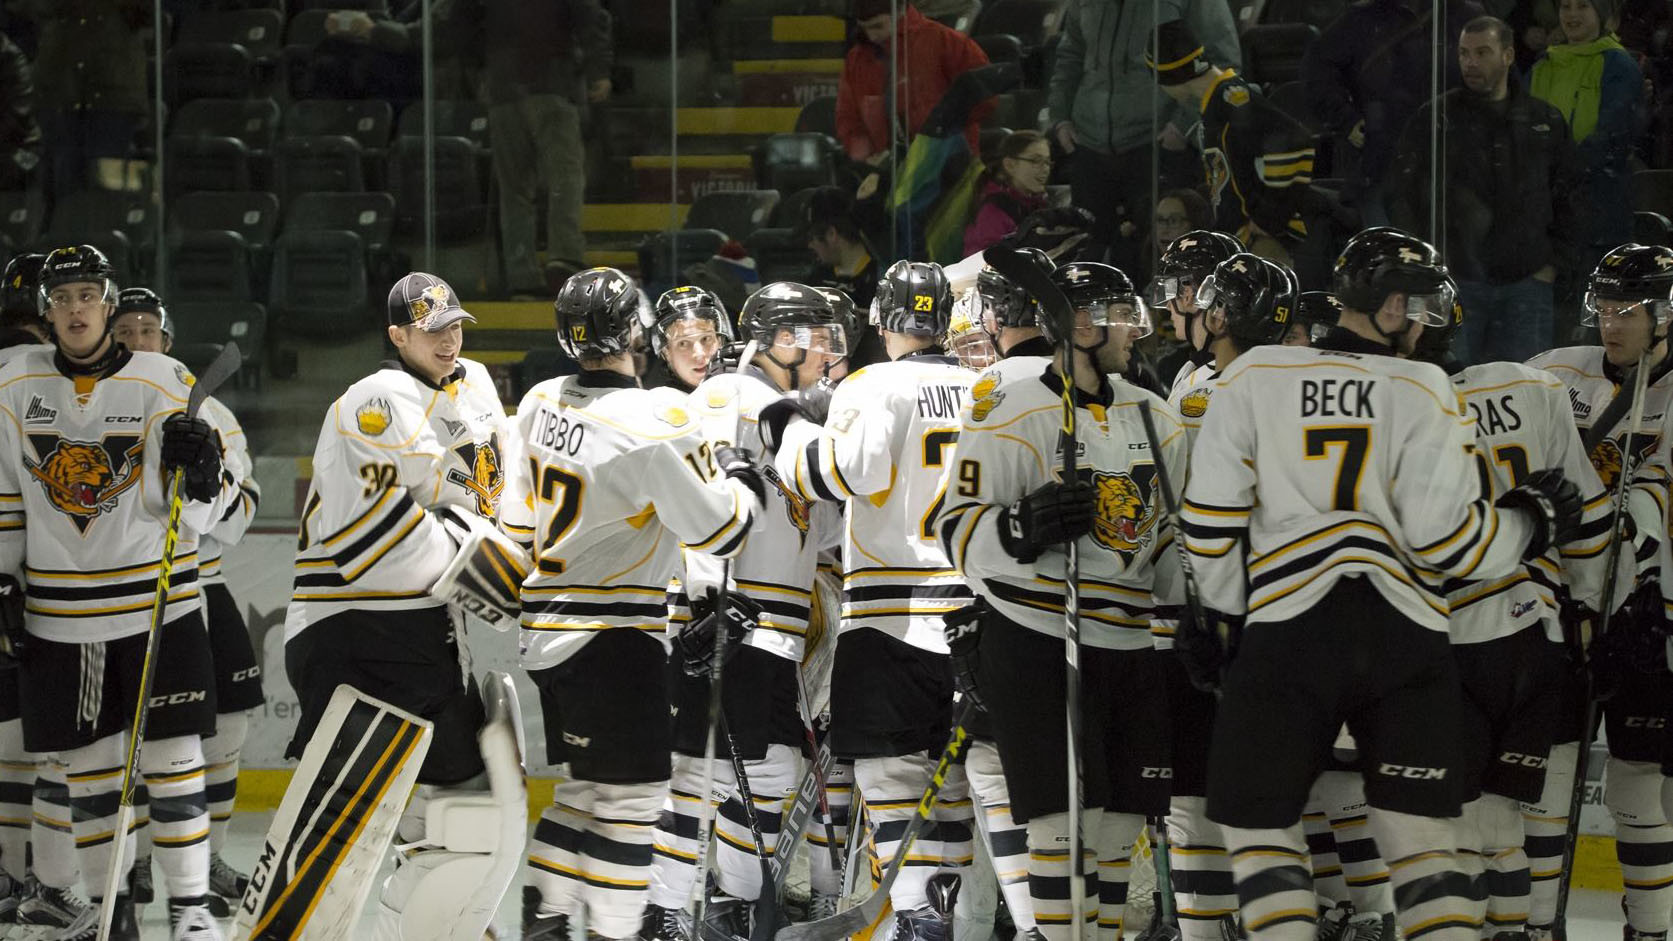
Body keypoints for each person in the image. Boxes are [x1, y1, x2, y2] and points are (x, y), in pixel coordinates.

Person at [1179, 226, 1583, 941]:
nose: (1426, 323)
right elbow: (1449, 542)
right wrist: (1530, 523)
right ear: (1393, 307)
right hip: (1407, 641)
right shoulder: (1423, 386)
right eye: (1420, 306)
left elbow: (1209, 525)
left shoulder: (1254, 376)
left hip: (1289, 632)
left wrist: (1223, 616)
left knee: (1263, 835)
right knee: (1424, 849)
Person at [503, 267, 765, 941]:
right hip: (614, 639)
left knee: (585, 792)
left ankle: (545, 921)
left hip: (547, 635)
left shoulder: (538, 401)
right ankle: (611, 933)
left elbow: (515, 519)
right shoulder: (655, 421)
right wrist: (740, 477)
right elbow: (721, 531)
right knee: (633, 801)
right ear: (637, 329)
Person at [0, 245, 241, 940]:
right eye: (62, 298)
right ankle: (111, 915)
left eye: (87, 295)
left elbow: (201, 517)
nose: (75, 309)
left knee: (174, 758)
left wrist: (203, 475)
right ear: (47, 311)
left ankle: (191, 910)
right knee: (89, 773)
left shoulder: (164, 379)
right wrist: (4, 578)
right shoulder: (15, 383)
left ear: (107, 304)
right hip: (61, 619)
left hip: (158, 606)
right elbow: (9, 497)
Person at [936, 256, 1180, 941]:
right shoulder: (1012, 411)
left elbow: (1169, 538)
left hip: (1130, 639)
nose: (1134, 330)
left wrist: (1199, 607)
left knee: (1122, 822)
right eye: (1119, 316)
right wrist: (1021, 526)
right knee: (1063, 823)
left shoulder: (1155, 414)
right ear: (1081, 325)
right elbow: (955, 526)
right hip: (1038, 634)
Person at [284, 273, 515, 933]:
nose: (448, 340)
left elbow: (503, 500)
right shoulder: (374, 400)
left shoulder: (474, 389)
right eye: (431, 329)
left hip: (421, 634)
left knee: (456, 822)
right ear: (397, 335)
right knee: (349, 836)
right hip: (354, 634)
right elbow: (373, 546)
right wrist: (490, 563)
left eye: (455, 325)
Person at [770, 264, 981, 941]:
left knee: (892, 782)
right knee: (952, 788)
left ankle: (918, 918)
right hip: (973, 618)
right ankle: (944, 917)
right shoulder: (984, 387)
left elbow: (843, 473)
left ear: (884, 319)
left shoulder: (872, 383)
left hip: (890, 618)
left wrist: (791, 432)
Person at [1405, 288, 1621, 939]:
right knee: (1506, 823)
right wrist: (1596, 617)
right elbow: (1590, 521)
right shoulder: (1528, 387)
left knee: (1454, 830)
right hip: (1535, 636)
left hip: (1449, 642)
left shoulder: (1395, 409)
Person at [644, 282, 847, 941]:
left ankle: (729, 905)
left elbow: (819, 528)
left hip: (773, 630)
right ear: (781, 341)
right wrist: (703, 597)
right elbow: (698, 492)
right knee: (700, 773)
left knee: (773, 769)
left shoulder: (786, 413)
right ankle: (666, 909)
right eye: (816, 338)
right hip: (729, 620)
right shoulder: (729, 394)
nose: (826, 352)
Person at [1527, 244, 1673, 941]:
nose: (1611, 323)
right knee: (1550, 773)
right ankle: (1532, 926)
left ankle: (1649, 932)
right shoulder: (1554, 371)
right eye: (1605, 308)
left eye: (1629, 310)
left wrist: (1636, 543)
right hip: (1564, 607)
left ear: (1665, 314)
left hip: (1650, 616)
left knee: (1637, 787)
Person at [109, 289, 262, 917]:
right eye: (124, 330)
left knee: (230, 725)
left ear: (167, 342)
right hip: (130, 591)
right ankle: (139, 862)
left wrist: (204, 486)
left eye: (147, 329)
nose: (136, 339)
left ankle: (210, 857)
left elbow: (239, 512)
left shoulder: (211, 411)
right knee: (133, 739)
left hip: (203, 581)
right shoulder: (95, 405)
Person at [1165, 253, 1300, 941]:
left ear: (1219, 315)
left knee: (1199, 785)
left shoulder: (1221, 386)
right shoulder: (1299, 383)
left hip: (1222, 608)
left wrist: (1210, 611)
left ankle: (1210, 927)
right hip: (1285, 607)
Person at [1388, 16, 1583, 365]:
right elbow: (1402, 195)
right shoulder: (1436, 118)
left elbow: (1569, 196)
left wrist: (1554, 263)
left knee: (1525, 386)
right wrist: (1428, 268)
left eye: (1482, 52)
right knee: (1453, 386)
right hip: (1456, 282)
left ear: (1508, 55)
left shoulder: (1544, 121)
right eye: (1464, 53)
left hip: (1527, 282)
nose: (1470, 62)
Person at [430, 0, 613, 296]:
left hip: (503, 87)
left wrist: (482, 69)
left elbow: (462, 24)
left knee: (514, 189)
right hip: (551, 82)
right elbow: (589, 18)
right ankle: (564, 256)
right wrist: (598, 70)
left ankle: (522, 274)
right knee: (565, 177)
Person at [1047, 0, 1240, 270]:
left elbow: (1222, 60)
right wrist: (1060, 117)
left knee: (1161, 259)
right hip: (1088, 143)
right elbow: (1070, 55)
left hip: (1159, 143)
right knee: (1088, 256)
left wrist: (1183, 125)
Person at [1300, 0, 1485, 225]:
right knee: (1389, 240)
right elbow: (1316, 71)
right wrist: (1346, 119)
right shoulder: (1363, 19)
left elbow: (1497, 76)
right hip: (1383, 164)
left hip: (1456, 166)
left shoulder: (1464, 15)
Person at [1147, 21, 1318, 257]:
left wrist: (1270, 216)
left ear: (1167, 76)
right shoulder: (1214, 103)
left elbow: (1294, 140)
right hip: (1240, 242)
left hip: (1263, 242)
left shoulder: (1231, 100)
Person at [1529, 0, 1644, 268]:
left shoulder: (1619, 66)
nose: (1572, 14)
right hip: (1543, 215)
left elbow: (1612, 136)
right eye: (1565, 6)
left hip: (1597, 215)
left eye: (1583, 6)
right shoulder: (1543, 63)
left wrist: (1559, 172)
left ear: (1600, 13)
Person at [835, 0, 991, 167]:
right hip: (886, 168)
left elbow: (985, 99)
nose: (872, 36)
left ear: (899, 12)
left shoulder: (948, 43)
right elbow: (848, 117)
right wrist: (867, 155)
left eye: (877, 26)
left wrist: (945, 134)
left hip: (950, 163)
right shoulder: (856, 59)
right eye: (864, 28)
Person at [19, 0, 143, 194]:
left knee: (105, 184)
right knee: (60, 181)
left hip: (111, 93)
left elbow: (143, 13)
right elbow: (32, 7)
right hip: (59, 88)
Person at [1146, 229, 1244, 397]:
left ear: (1188, 294)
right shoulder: (1192, 367)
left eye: (1171, 292)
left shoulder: (1219, 377)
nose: (1168, 306)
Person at [963, 130, 1054, 257]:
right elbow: (990, 261)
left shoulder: (1039, 203)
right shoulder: (994, 210)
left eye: (1047, 162)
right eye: (1035, 161)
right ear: (1010, 165)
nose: (1045, 169)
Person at [645, 285, 733, 393]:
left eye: (705, 338)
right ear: (666, 353)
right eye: (683, 343)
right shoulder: (658, 401)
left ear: (720, 341)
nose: (699, 354)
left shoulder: (745, 385)